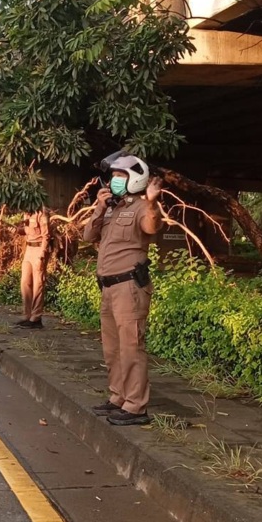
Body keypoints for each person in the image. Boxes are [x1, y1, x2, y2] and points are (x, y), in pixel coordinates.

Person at [82, 154, 162, 425]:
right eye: (114, 175)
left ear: (135, 178)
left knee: (131, 347)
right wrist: (99, 207)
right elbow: (88, 236)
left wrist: (153, 202)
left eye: (120, 176)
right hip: (108, 288)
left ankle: (136, 407)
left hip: (129, 288)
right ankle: (118, 397)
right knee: (112, 349)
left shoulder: (142, 207)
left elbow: (151, 225)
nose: (114, 180)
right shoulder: (111, 208)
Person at [17, 206, 50, 329]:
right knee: (25, 282)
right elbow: (26, 231)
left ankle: (36, 317)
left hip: (39, 249)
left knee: (38, 284)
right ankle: (27, 315)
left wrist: (42, 255)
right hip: (29, 248)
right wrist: (18, 229)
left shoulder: (41, 213)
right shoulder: (26, 213)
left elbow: (46, 235)